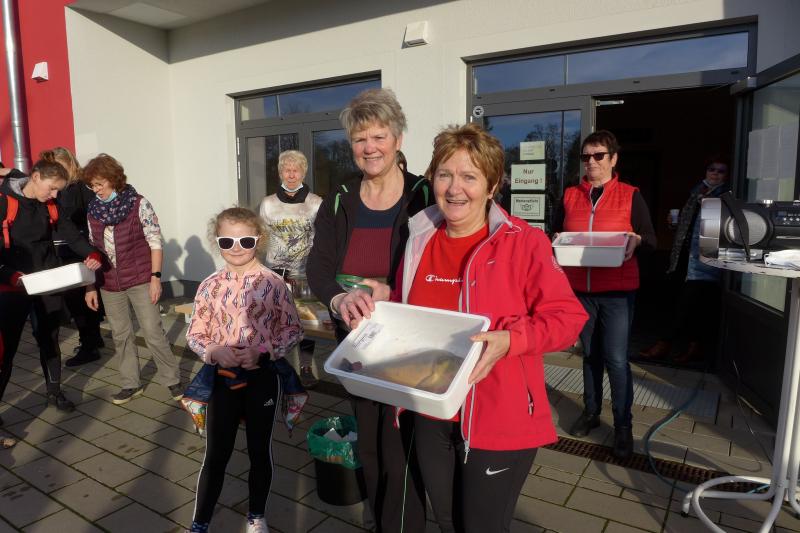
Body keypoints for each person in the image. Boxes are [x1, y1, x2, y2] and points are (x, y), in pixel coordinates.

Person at [337, 123, 587, 533]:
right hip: (431, 409)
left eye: (470, 176)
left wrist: (511, 340)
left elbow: (568, 319)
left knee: (481, 525)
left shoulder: (523, 241)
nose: (455, 189)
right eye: (445, 175)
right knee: (449, 519)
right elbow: (413, 309)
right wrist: (381, 299)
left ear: (492, 186)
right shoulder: (420, 235)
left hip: (498, 412)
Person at [307, 87, 432, 533]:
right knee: (370, 439)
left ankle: (406, 522)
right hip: (356, 336)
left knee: (402, 443)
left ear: (398, 139)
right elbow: (318, 265)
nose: (370, 147)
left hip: (408, 338)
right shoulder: (339, 197)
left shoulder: (424, 194)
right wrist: (338, 299)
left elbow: (439, 268)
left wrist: (392, 290)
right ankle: (382, 517)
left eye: (379, 136)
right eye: (360, 139)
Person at [186, 207, 302, 533]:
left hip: (262, 377)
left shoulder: (274, 283)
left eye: (245, 241)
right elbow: (195, 333)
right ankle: (201, 521)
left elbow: (292, 330)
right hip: (222, 379)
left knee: (259, 450)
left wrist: (264, 351)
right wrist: (213, 350)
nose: (236, 248)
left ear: (259, 240)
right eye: (227, 241)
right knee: (216, 453)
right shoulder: (209, 285)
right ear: (217, 242)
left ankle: (256, 515)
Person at [552, 130, 656, 460]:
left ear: (613, 159)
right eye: (586, 156)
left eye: (599, 156)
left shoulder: (630, 195)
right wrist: (556, 240)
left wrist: (637, 240)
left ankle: (623, 426)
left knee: (616, 359)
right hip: (580, 291)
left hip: (617, 292)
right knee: (590, 356)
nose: (592, 162)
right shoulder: (570, 195)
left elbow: (650, 238)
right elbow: (555, 233)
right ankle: (591, 412)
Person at [0, 152, 102, 421]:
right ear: (35, 177)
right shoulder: (5, 202)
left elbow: (71, 235)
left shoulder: (50, 206)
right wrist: (10, 275)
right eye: (52, 188)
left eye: (59, 189)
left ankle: (54, 392)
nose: (55, 195)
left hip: (47, 281)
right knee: (7, 348)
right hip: (13, 285)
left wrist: (92, 254)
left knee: (49, 338)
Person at [82, 154, 182, 405]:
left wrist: (156, 278)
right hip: (108, 284)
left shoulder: (139, 204)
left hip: (140, 280)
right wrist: (90, 286)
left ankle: (172, 380)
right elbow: (92, 250)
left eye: (100, 184)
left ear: (114, 179)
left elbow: (155, 242)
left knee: (152, 331)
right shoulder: (93, 210)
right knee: (120, 334)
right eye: (92, 185)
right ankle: (130, 384)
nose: (96, 190)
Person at [639, 156, 731, 364]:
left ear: (727, 176)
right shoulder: (696, 193)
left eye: (721, 171)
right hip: (684, 258)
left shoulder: (725, 198)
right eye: (712, 169)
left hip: (706, 261)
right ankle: (692, 348)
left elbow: (722, 231)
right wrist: (676, 224)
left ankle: (666, 344)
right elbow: (689, 227)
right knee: (687, 305)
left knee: (689, 306)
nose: (715, 173)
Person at [259, 149, 322, 388]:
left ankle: (305, 366)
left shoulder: (315, 203)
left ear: (303, 172)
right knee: (276, 320)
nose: (292, 174)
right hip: (276, 271)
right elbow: (261, 237)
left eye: (296, 170)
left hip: (305, 272)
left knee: (306, 321)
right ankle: (278, 365)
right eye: (287, 170)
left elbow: (323, 237)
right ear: (280, 172)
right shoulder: (268, 204)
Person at [53, 147, 105, 366]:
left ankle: (89, 346)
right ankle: (93, 339)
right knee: (77, 300)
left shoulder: (81, 188)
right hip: (65, 251)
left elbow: (90, 219)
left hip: (79, 250)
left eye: (60, 167)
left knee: (81, 299)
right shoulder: (60, 188)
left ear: (69, 164)